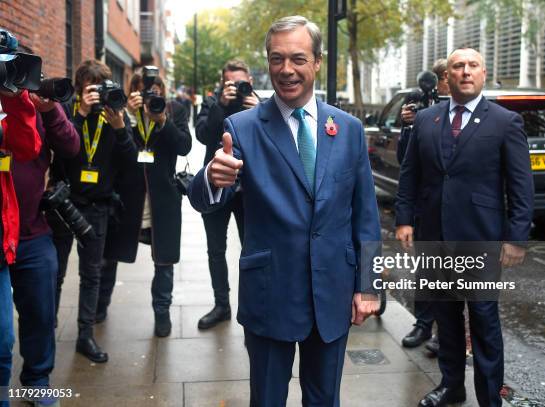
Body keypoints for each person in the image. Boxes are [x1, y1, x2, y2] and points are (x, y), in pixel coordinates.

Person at [188, 15, 380, 406]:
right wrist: (213, 175)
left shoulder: (349, 129)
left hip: (332, 293)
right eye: (277, 59)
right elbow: (201, 198)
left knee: (324, 399)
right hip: (270, 293)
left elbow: (366, 215)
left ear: (317, 61)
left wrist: (368, 285)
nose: (286, 70)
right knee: (267, 399)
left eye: (297, 58)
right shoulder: (241, 127)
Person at [395, 47, 534, 407]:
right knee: (446, 317)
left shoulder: (505, 122)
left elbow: (520, 186)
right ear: (448, 76)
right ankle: (451, 386)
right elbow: (411, 175)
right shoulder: (426, 119)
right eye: (458, 66)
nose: (465, 71)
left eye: (473, 66)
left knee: (484, 322)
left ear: (483, 74)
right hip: (435, 237)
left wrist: (516, 238)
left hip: (481, 240)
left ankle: (490, 398)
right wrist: (404, 219)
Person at [50, 60, 136, 363]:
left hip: (98, 207)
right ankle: (48, 329)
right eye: (91, 89)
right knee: (55, 273)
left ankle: (85, 335)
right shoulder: (68, 111)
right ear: (79, 88)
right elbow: (62, 148)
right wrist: (81, 113)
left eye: (102, 87)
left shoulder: (113, 115)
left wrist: (120, 128)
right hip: (64, 204)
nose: (97, 95)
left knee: (91, 275)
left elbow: (130, 162)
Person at [96, 71, 192, 337]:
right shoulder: (122, 113)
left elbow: (185, 146)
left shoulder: (175, 110)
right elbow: (120, 155)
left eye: (155, 89)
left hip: (163, 199)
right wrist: (125, 119)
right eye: (142, 90)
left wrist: (162, 120)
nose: (151, 95)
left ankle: (162, 313)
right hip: (129, 198)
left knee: (164, 260)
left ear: (162, 90)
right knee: (110, 255)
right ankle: (99, 306)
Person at [10, 91, 79, 406]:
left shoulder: (36, 105)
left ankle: (37, 379)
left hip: (33, 230)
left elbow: (70, 146)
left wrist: (50, 110)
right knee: (1, 333)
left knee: (40, 309)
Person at [194, 60, 258, 330]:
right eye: (230, 82)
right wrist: (220, 104)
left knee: (253, 250)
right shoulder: (212, 102)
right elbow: (202, 135)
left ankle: (253, 305)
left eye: (240, 82)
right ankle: (222, 305)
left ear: (251, 80)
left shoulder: (260, 104)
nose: (236, 87)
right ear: (223, 82)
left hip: (250, 191)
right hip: (218, 186)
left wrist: (261, 111)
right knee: (215, 250)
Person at [397, 58, 449, 354]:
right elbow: (407, 160)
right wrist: (408, 127)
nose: (443, 81)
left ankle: (445, 332)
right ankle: (423, 323)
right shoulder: (419, 104)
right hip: (427, 203)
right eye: (440, 75)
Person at [0, 89, 41, 407]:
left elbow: (27, 147)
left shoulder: (10, 104)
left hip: (10, 235)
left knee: (4, 340)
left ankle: (35, 384)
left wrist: (14, 98)